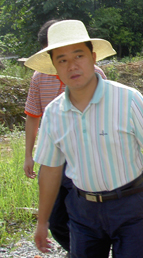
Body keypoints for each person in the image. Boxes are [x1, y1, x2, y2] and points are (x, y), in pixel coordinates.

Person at [25, 20, 143, 257]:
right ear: (54, 67)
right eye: (62, 60)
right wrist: (42, 222)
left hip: (130, 206)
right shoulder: (54, 113)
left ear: (93, 58)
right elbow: (51, 170)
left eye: (78, 56)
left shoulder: (128, 99)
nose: (72, 66)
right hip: (82, 211)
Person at [23, 19, 107, 254]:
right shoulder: (39, 78)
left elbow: (106, 113)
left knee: (85, 211)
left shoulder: (95, 73)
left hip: (85, 156)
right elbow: (32, 116)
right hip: (53, 157)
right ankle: (78, 249)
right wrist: (28, 155)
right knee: (55, 216)